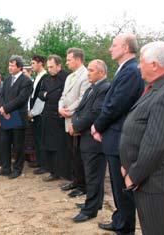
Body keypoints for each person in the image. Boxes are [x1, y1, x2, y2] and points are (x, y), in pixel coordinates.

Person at [120, 41, 164, 235]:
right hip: (146, 175)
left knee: (156, 230)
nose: (139, 66)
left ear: (154, 64)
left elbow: (157, 144)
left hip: (155, 178)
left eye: (141, 62)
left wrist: (134, 175)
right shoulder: (158, 86)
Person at [91, 33, 144, 234]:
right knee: (116, 184)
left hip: (121, 136)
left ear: (125, 48)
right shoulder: (125, 69)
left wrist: (98, 126)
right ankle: (119, 220)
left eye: (114, 45)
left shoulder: (131, 71)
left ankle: (125, 227)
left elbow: (115, 105)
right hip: (115, 135)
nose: (110, 49)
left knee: (122, 186)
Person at [70, 59, 110, 222]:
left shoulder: (105, 88)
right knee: (91, 174)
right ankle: (94, 203)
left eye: (91, 70)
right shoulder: (92, 88)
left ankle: (90, 210)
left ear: (101, 72)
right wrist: (75, 122)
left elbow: (95, 113)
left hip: (94, 140)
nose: (88, 73)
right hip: (84, 136)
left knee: (94, 176)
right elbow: (80, 108)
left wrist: (76, 126)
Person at [0, 55, 33, 179]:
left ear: (19, 67)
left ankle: (17, 169)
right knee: (4, 143)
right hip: (5, 116)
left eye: (12, 65)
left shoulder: (26, 81)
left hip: (18, 117)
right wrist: (3, 110)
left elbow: (21, 99)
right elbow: (1, 95)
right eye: (9, 65)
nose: (9, 67)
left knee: (18, 145)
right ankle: (5, 168)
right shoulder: (8, 79)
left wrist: (6, 108)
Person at [59, 48, 90, 197]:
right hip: (66, 119)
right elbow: (63, 96)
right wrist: (60, 108)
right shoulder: (69, 76)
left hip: (76, 120)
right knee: (71, 153)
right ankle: (75, 180)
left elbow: (83, 99)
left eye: (69, 59)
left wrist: (68, 111)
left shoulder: (86, 75)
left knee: (78, 154)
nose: (67, 62)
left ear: (78, 60)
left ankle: (82, 185)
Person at [38, 55, 69, 182]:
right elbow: (41, 93)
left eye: (51, 67)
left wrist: (49, 95)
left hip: (59, 116)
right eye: (48, 67)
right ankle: (52, 171)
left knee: (60, 146)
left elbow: (62, 96)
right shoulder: (46, 78)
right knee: (48, 144)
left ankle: (63, 171)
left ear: (59, 66)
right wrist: (46, 94)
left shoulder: (66, 77)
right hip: (47, 115)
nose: (49, 69)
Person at [28, 55, 49, 175]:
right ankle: (39, 161)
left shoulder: (45, 77)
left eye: (33, 63)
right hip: (35, 113)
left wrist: (33, 112)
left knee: (41, 139)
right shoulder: (38, 77)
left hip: (40, 113)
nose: (32, 65)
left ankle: (44, 165)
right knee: (36, 138)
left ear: (40, 63)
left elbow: (41, 99)